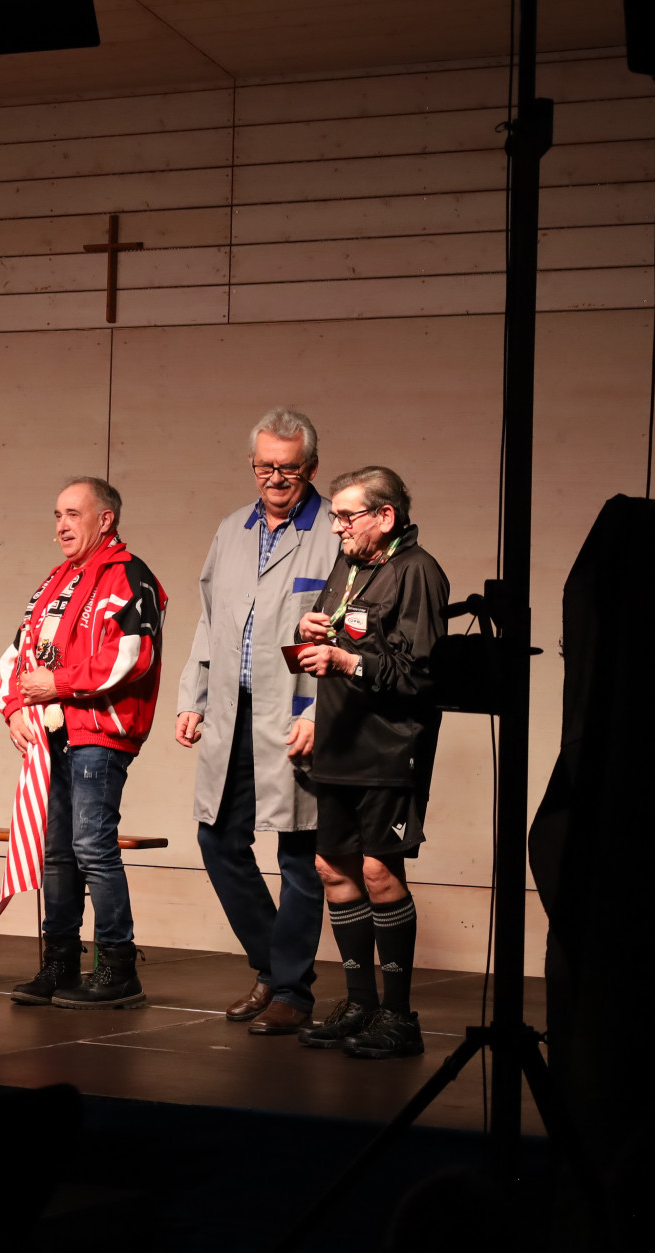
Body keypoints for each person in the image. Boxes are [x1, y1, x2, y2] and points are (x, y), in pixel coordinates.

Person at [175, 408, 341, 1036]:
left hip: (296, 714)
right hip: (233, 711)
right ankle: (275, 968)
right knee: (218, 838)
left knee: (298, 851)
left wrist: (319, 713)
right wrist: (193, 698)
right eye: (265, 466)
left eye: (288, 467)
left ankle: (291, 992)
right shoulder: (232, 530)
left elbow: (347, 635)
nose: (275, 477)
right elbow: (209, 620)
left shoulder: (334, 531)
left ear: (311, 468)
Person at [292, 466, 449, 1059]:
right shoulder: (351, 564)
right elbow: (339, 636)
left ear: (385, 516)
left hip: (388, 746)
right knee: (332, 869)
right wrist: (310, 631)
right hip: (339, 739)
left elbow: (420, 676)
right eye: (334, 516)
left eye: (345, 516)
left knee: (380, 872)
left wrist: (346, 661)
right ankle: (359, 1003)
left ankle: (398, 1016)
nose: (336, 527)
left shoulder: (418, 572)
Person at [0, 477, 167, 1010]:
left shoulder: (129, 575)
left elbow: (131, 656)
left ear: (105, 520)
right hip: (51, 734)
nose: (62, 525)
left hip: (99, 732)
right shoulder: (55, 581)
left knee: (92, 847)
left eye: (73, 514)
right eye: (57, 515)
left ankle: (118, 967)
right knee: (57, 853)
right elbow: (17, 653)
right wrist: (14, 708)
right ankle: (61, 961)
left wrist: (59, 684)